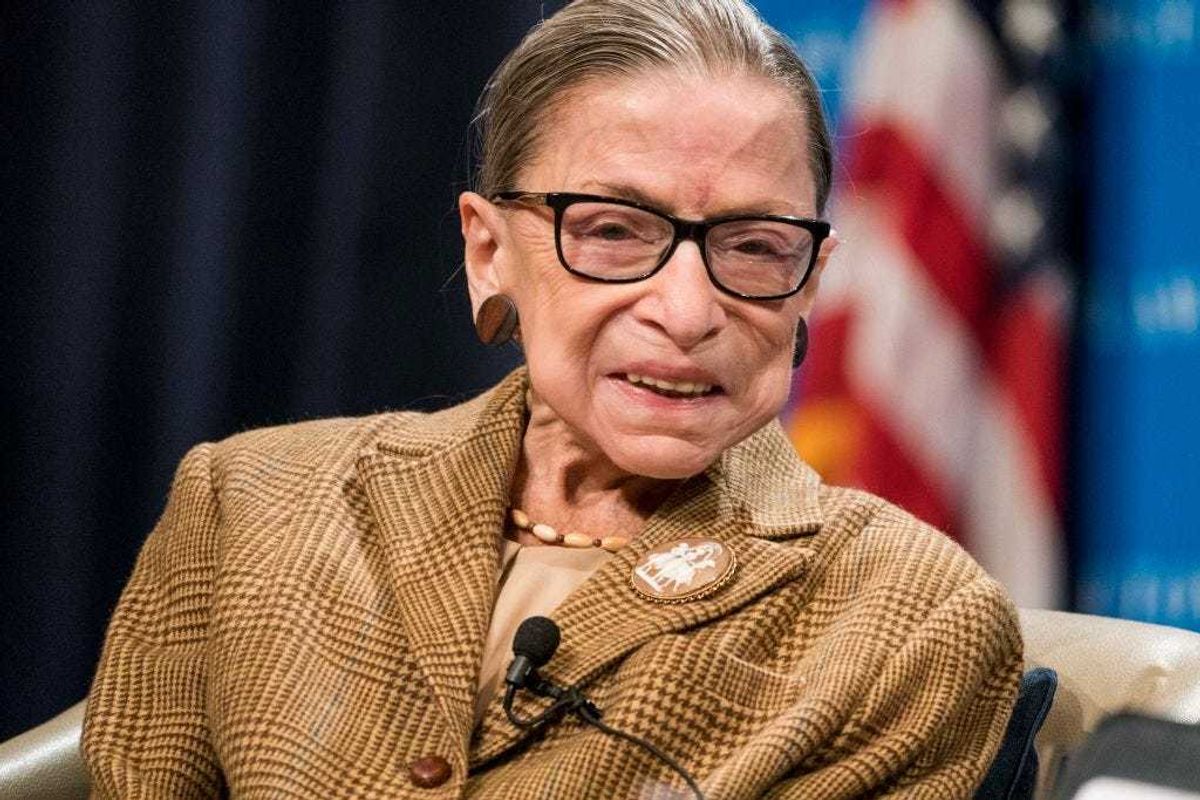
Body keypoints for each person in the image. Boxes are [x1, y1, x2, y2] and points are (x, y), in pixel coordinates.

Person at [82, 0, 1023, 797]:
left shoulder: (911, 621)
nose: (689, 311)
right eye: (613, 230)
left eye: (753, 246)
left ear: (811, 276)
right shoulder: (250, 504)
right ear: (489, 250)